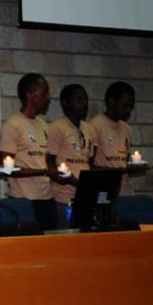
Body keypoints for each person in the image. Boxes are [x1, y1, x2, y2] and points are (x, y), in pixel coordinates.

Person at [0, 73, 59, 230]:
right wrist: (42, 171)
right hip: (24, 201)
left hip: (47, 198)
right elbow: (5, 168)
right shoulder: (13, 124)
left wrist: (54, 171)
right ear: (30, 96)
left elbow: (46, 163)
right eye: (44, 93)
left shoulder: (43, 125)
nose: (48, 98)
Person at [47, 84, 94, 227]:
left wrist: (90, 184)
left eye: (85, 99)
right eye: (79, 100)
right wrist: (73, 180)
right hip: (64, 198)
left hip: (85, 198)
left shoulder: (89, 128)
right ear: (65, 103)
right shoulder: (57, 127)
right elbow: (50, 163)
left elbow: (89, 162)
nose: (84, 104)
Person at [89, 81, 147, 196]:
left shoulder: (126, 128)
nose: (128, 110)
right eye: (124, 105)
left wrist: (135, 167)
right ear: (111, 102)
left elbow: (123, 162)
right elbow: (89, 167)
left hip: (125, 193)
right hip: (105, 192)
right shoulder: (95, 125)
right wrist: (119, 171)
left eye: (131, 106)